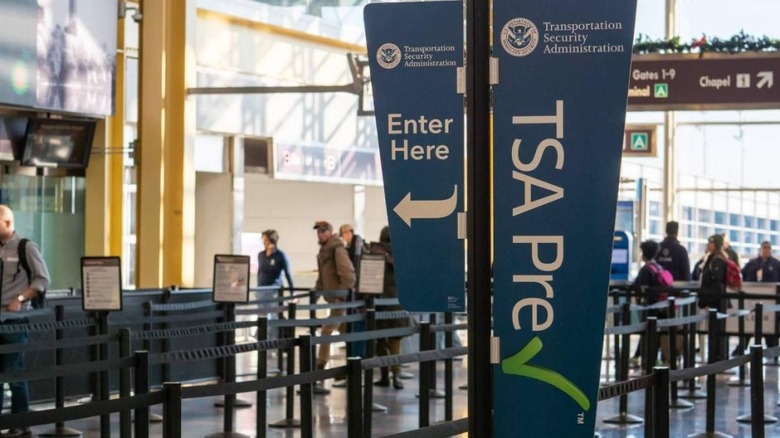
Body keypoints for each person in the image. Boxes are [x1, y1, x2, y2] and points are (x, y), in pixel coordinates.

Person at [0, 205, 50, 438]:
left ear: (8, 223)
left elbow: (42, 279)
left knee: (14, 371)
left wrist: (20, 298)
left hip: (15, 320)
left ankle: (21, 423)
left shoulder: (25, 247)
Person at [313, 221, 355, 382]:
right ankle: (353, 366)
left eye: (324, 231)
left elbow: (349, 275)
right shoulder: (324, 251)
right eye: (318, 231)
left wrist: (340, 297)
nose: (320, 233)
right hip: (334, 300)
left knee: (326, 331)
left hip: (340, 301)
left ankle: (320, 367)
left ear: (330, 232)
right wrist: (314, 297)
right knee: (346, 333)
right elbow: (321, 279)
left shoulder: (337, 249)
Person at [370, 226, 409, 390]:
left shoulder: (374, 252)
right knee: (395, 345)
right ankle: (395, 376)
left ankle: (387, 375)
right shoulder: (402, 255)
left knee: (382, 343)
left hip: (379, 304)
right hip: (396, 304)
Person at [739, 241, 780, 350]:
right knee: (748, 325)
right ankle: (741, 347)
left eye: (768, 248)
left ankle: (772, 348)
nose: (766, 250)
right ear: (760, 249)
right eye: (764, 248)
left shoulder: (776, 264)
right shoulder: (752, 263)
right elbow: (742, 275)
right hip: (751, 301)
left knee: (770, 327)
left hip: (770, 303)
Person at [698, 234, 729, 360]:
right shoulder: (711, 258)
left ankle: (717, 359)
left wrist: (708, 301)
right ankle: (715, 358)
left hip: (716, 303)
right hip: (714, 302)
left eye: (710, 243)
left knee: (717, 332)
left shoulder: (717, 260)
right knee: (714, 332)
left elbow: (716, 285)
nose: (707, 245)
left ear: (715, 244)